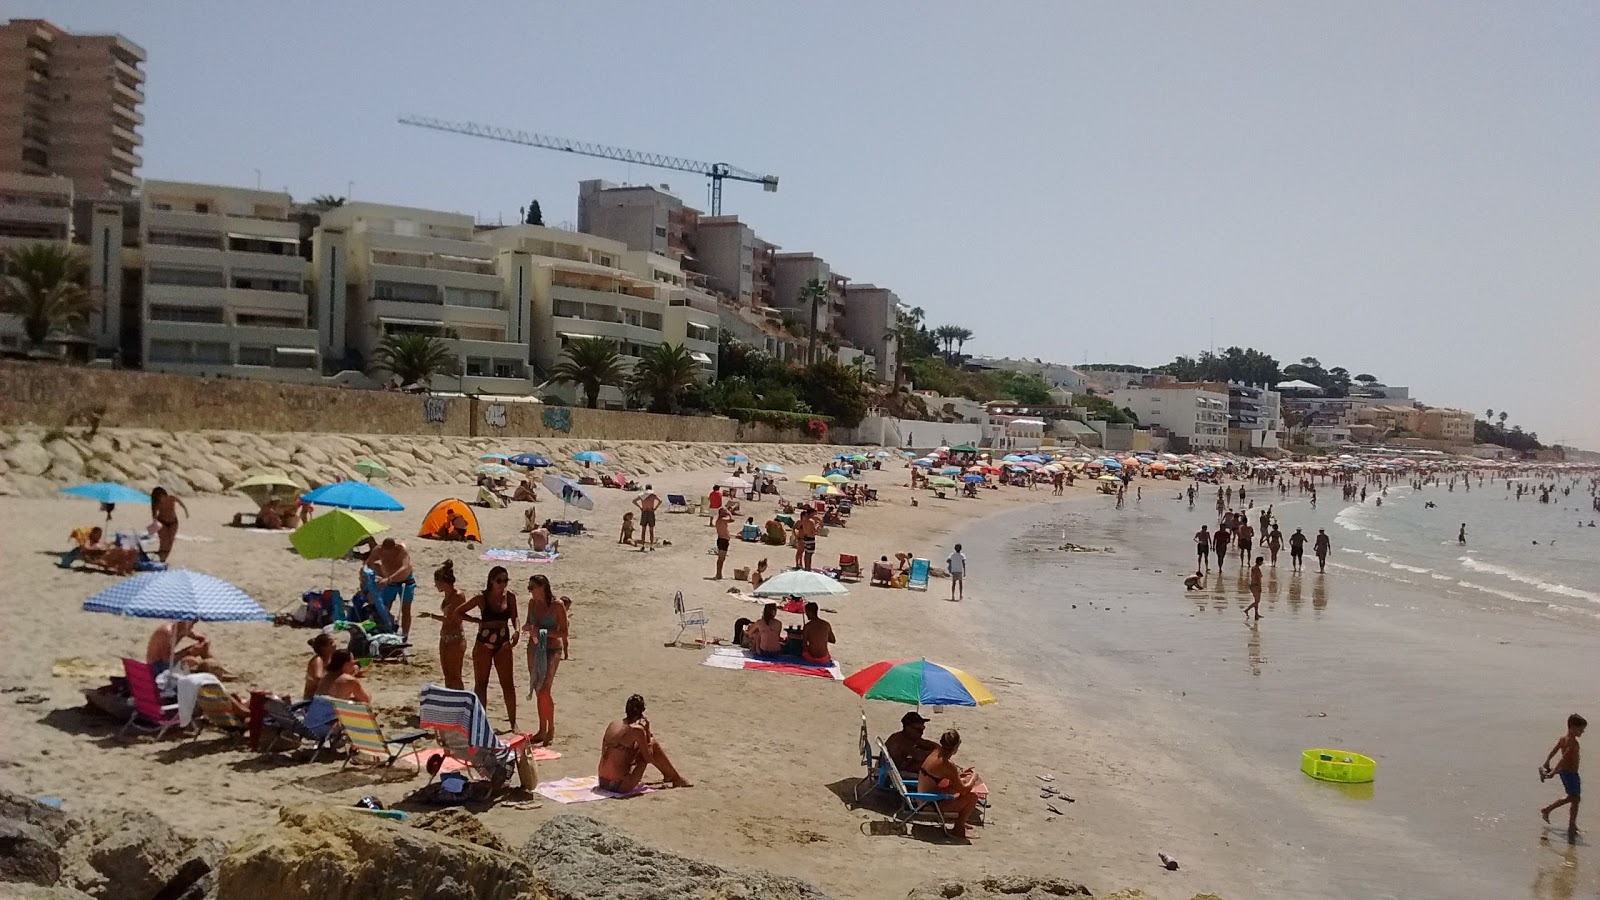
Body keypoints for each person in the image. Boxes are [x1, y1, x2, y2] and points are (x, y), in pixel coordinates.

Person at [459, 566, 519, 730]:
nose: (502, 584)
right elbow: (459, 612)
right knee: (481, 683)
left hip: (503, 640)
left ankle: (513, 723)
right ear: (491, 581)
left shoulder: (510, 597)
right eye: (499, 581)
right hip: (483, 642)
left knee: (507, 683)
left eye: (505, 581)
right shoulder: (482, 597)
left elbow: (514, 617)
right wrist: (475, 621)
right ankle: (480, 722)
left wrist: (517, 630)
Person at [598, 694, 691, 793]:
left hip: (603, 781)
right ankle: (675, 778)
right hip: (620, 786)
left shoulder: (613, 724)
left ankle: (670, 775)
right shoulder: (637, 730)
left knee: (630, 749)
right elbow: (649, 758)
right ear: (641, 712)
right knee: (652, 743)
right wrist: (647, 730)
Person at [523, 574, 568, 745]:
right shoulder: (532, 603)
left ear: (542, 587)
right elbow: (528, 622)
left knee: (545, 689)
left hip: (551, 648)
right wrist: (529, 628)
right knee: (537, 687)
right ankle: (542, 728)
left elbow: (564, 633)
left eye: (532, 588)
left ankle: (551, 727)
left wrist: (543, 631)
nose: (530, 591)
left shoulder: (557, 605)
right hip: (535, 647)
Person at [918, 729, 982, 839]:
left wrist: (958, 775)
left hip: (922, 797)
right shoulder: (947, 764)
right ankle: (959, 828)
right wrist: (974, 777)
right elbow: (964, 790)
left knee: (957, 786)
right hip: (930, 803)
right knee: (972, 796)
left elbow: (941, 775)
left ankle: (961, 821)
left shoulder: (935, 753)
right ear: (956, 746)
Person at [420, 560, 469, 690]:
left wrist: (431, 615)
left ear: (443, 582)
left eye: (436, 582)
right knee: (447, 675)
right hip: (445, 637)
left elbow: (451, 619)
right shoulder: (447, 596)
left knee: (455, 676)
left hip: (456, 638)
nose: (435, 585)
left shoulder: (458, 596)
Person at [1540, 713, 1585, 835]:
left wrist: (1547, 762)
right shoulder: (1573, 743)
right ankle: (1548, 810)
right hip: (1570, 773)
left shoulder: (1563, 739)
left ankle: (1572, 824)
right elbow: (1564, 758)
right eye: (1580, 729)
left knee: (1575, 798)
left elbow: (1554, 751)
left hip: (1565, 772)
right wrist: (1553, 772)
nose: (1582, 732)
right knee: (1574, 797)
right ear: (1572, 727)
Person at [146, 619, 233, 678]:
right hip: (156, 667)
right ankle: (215, 672)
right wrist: (189, 652)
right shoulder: (167, 633)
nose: (193, 625)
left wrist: (203, 644)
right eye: (193, 622)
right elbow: (167, 660)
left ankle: (219, 669)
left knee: (202, 648)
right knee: (191, 661)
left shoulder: (183, 628)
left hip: (167, 661)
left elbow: (203, 638)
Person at [370, 538, 416, 641]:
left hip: (405, 581)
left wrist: (389, 579)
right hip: (389, 582)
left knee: (405, 608)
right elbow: (369, 563)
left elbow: (404, 566)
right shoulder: (378, 550)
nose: (386, 555)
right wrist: (375, 576)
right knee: (385, 608)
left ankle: (405, 634)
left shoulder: (401, 550)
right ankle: (386, 630)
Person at [885, 711, 936, 775]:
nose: (922, 733)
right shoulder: (899, 742)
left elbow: (931, 746)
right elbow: (918, 757)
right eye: (919, 730)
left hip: (900, 771)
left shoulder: (908, 738)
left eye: (923, 730)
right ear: (908, 728)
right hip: (898, 775)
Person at [149, 486, 188, 563]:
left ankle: (163, 559)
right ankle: (161, 558)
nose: (161, 499)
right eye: (158, 497)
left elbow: (181, 503)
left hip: (173, 522)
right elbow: (154, 515)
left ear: (164, 494)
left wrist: (186, 511)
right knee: (163, 541)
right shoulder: (156, 503)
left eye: (161, 496)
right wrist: (155, 524)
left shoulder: (171, 498)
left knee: (170, 541)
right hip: (162, 522)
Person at [302, 633, 336, 700]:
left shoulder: (330, 659)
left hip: (322, 697)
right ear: (323, 648)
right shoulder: (318, 660)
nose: (335, 645)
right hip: (311, 699)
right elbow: (317, 678)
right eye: (331, 643)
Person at [713, 506, 734, 579]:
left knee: (721, 559)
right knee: (721, 559)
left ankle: (719, 573)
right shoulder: (722, 520)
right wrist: (729, 513)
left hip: (721, 540)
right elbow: (732, 520)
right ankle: (718, 574)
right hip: (723, 540)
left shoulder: (719, 520)